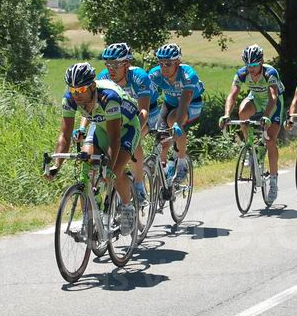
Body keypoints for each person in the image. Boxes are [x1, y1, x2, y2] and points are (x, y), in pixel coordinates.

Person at [47, 63, 141, 236]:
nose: (77, 95)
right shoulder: (69, 98)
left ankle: (128, 208)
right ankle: (91, 215)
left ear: (92, 86)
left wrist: (109, 170)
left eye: (81, 90)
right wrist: (56, 165)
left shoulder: (108, 97)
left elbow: (115, 139)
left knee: (116, 171)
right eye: (73, 90)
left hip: (126, 129)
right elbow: (65, 135)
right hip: (100, 127)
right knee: (87, 161)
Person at [219, 44, 284, 202]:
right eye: (248, 65)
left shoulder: (270, 73)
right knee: (242, 112)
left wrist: (266, 116)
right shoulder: (241, 74)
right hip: (255, 98)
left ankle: (274, 180)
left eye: (254, 65)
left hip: (273, 104)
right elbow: (232, 95)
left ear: (261, 62)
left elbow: (273, 98)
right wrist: (227, 115)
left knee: (270, 140)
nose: (251, 69)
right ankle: (249, 147)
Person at [97, 42, 158, 203]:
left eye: (116, 65)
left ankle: (139, 185)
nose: (111, 69)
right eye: (108, 64)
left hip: (147, 113)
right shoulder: (103, 77)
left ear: (127, 64)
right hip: (121, 116)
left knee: (133, 143)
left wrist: (133, 132)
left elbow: (143, 110)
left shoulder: (139, 76)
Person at [148, 43, 204, 183]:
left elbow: (184, 102)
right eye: (161, 63)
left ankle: (181, 162)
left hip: (191, 103)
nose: (163, 68)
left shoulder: (188, 75)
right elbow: (146, 97)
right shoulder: (155, 74)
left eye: (168, 64)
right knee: (161, 138)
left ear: (178, 63)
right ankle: (165, 172)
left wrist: (178, 124)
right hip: (170, 103)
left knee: (173, 119)